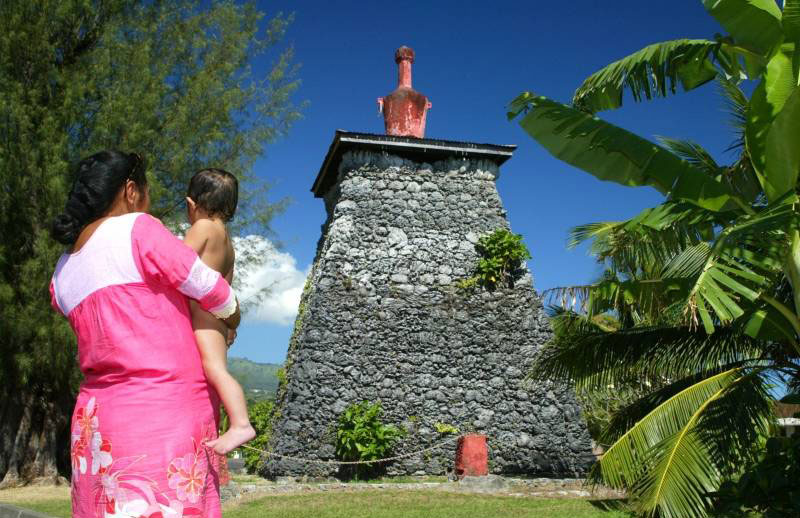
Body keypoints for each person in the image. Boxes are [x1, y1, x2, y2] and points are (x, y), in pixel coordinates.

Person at [50, 150, 239, 518]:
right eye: (147, 190)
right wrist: (232, 317)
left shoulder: (62, 270)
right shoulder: (137, 229)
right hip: (162, 411)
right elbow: (214, 291)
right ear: (131, 190)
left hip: (96, 421)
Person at [183, 168, 255, 455]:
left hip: (203, 315)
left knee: (215, 370)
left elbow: (177, 262)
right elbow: (227, 286)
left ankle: (241, 424)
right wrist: (230, 326)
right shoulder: (227, 242)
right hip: (218, 319)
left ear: (191, 204)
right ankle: (232, 422)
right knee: (214, 371)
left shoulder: (202, 227)